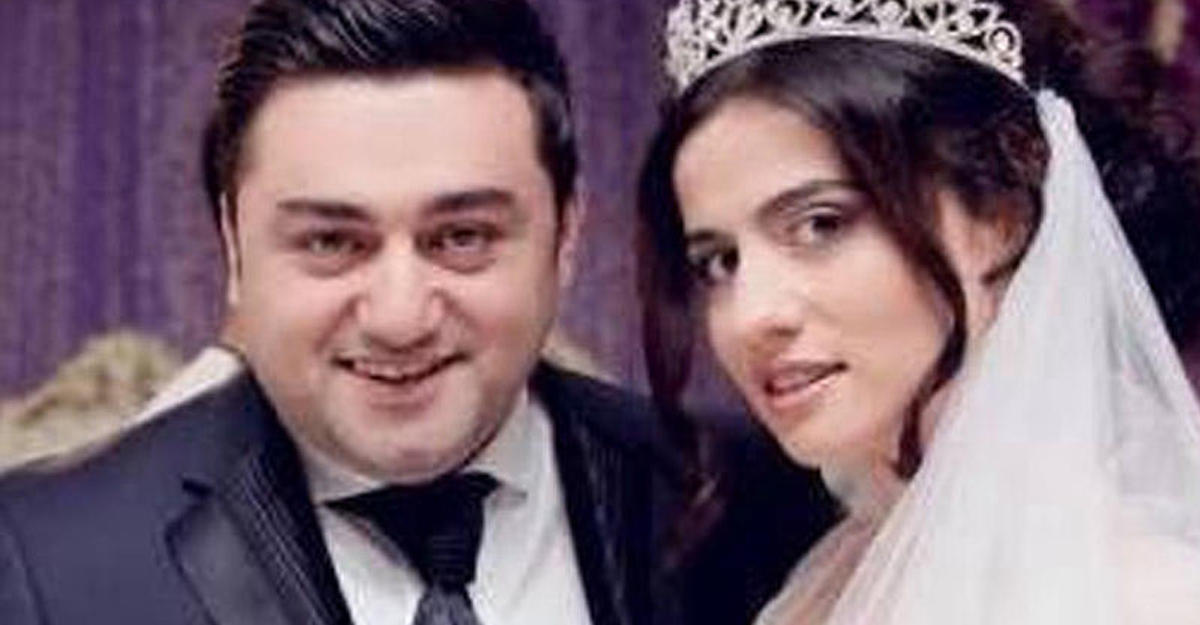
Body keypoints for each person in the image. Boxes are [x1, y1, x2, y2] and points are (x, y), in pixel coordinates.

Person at [0, 1, 835, 624]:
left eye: (462, 237)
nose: (400, 317)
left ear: (566, 234)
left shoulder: (761, 497)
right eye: (332, 242)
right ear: (233, 243)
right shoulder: (43, 556)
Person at [638, 0, 1200, 622]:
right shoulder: (831, 588)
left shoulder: (1146, 598)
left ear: (1002, 214)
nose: (751, 317)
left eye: (820, 224)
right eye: (719, 262)